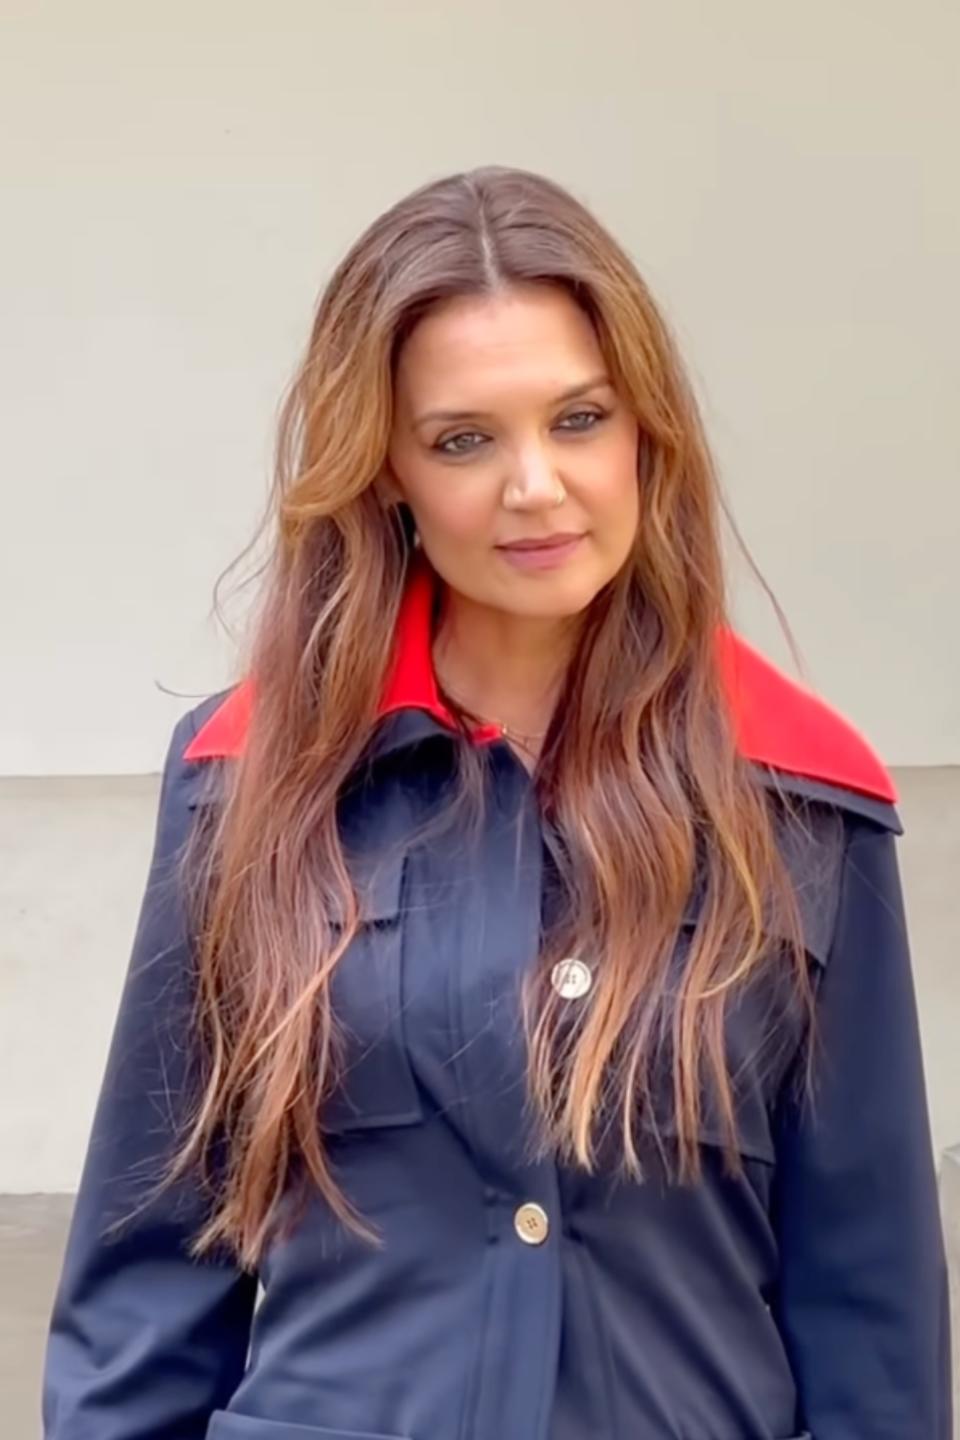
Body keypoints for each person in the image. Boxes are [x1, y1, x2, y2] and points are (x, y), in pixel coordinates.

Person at [42, 165, 949, 1440]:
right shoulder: (245, 783)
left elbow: (874, 1326)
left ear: (648, 433)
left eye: (579, 420)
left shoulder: (802, 799)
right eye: (465, 438)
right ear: (389, 472)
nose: (536, 486)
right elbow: (144, 1282)